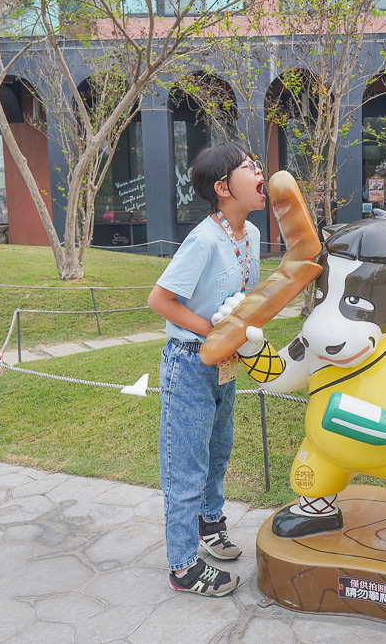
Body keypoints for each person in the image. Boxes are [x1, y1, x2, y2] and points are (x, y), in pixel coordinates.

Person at [147, 142, 264, 597]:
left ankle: (210, 525)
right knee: (186, 466)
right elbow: (160, 300)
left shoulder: (250, 236)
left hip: (225, 364)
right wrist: (213, 333)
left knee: (219, 450)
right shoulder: (203, 239)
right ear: (222, 188)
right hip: (190, 363)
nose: (259, 172)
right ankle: (182, 566)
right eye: (249, 167)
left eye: (257, 165)